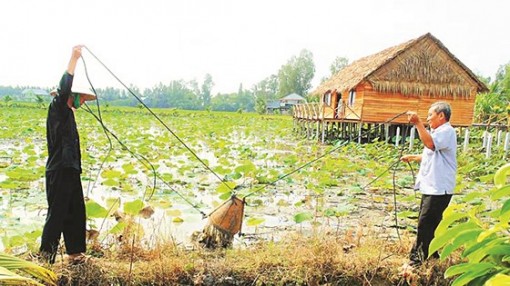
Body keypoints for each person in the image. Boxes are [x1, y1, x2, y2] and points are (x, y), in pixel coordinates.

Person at [39, 45, 93, 264]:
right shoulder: (58, 108)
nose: (81, 101)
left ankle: (75, 254)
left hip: (70, 169)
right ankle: (46, 257)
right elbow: (64, 88)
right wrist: (74, 58)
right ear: (73, 94)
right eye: (79, 96)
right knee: (58, 213)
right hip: (59, 169)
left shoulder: (68, 114)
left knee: (76, 211)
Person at [400, 101, 457, 267]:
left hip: (439, 188)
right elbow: (432, 153)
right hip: (432, 187)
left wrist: (418, 123)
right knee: (429, 222)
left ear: (441, 116)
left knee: (425, 223)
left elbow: (430, 144)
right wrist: (413, 157)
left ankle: (417, 261)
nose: (428, 118)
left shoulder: (446, 131)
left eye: (430, 115)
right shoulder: (438, 132)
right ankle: (432, 256)